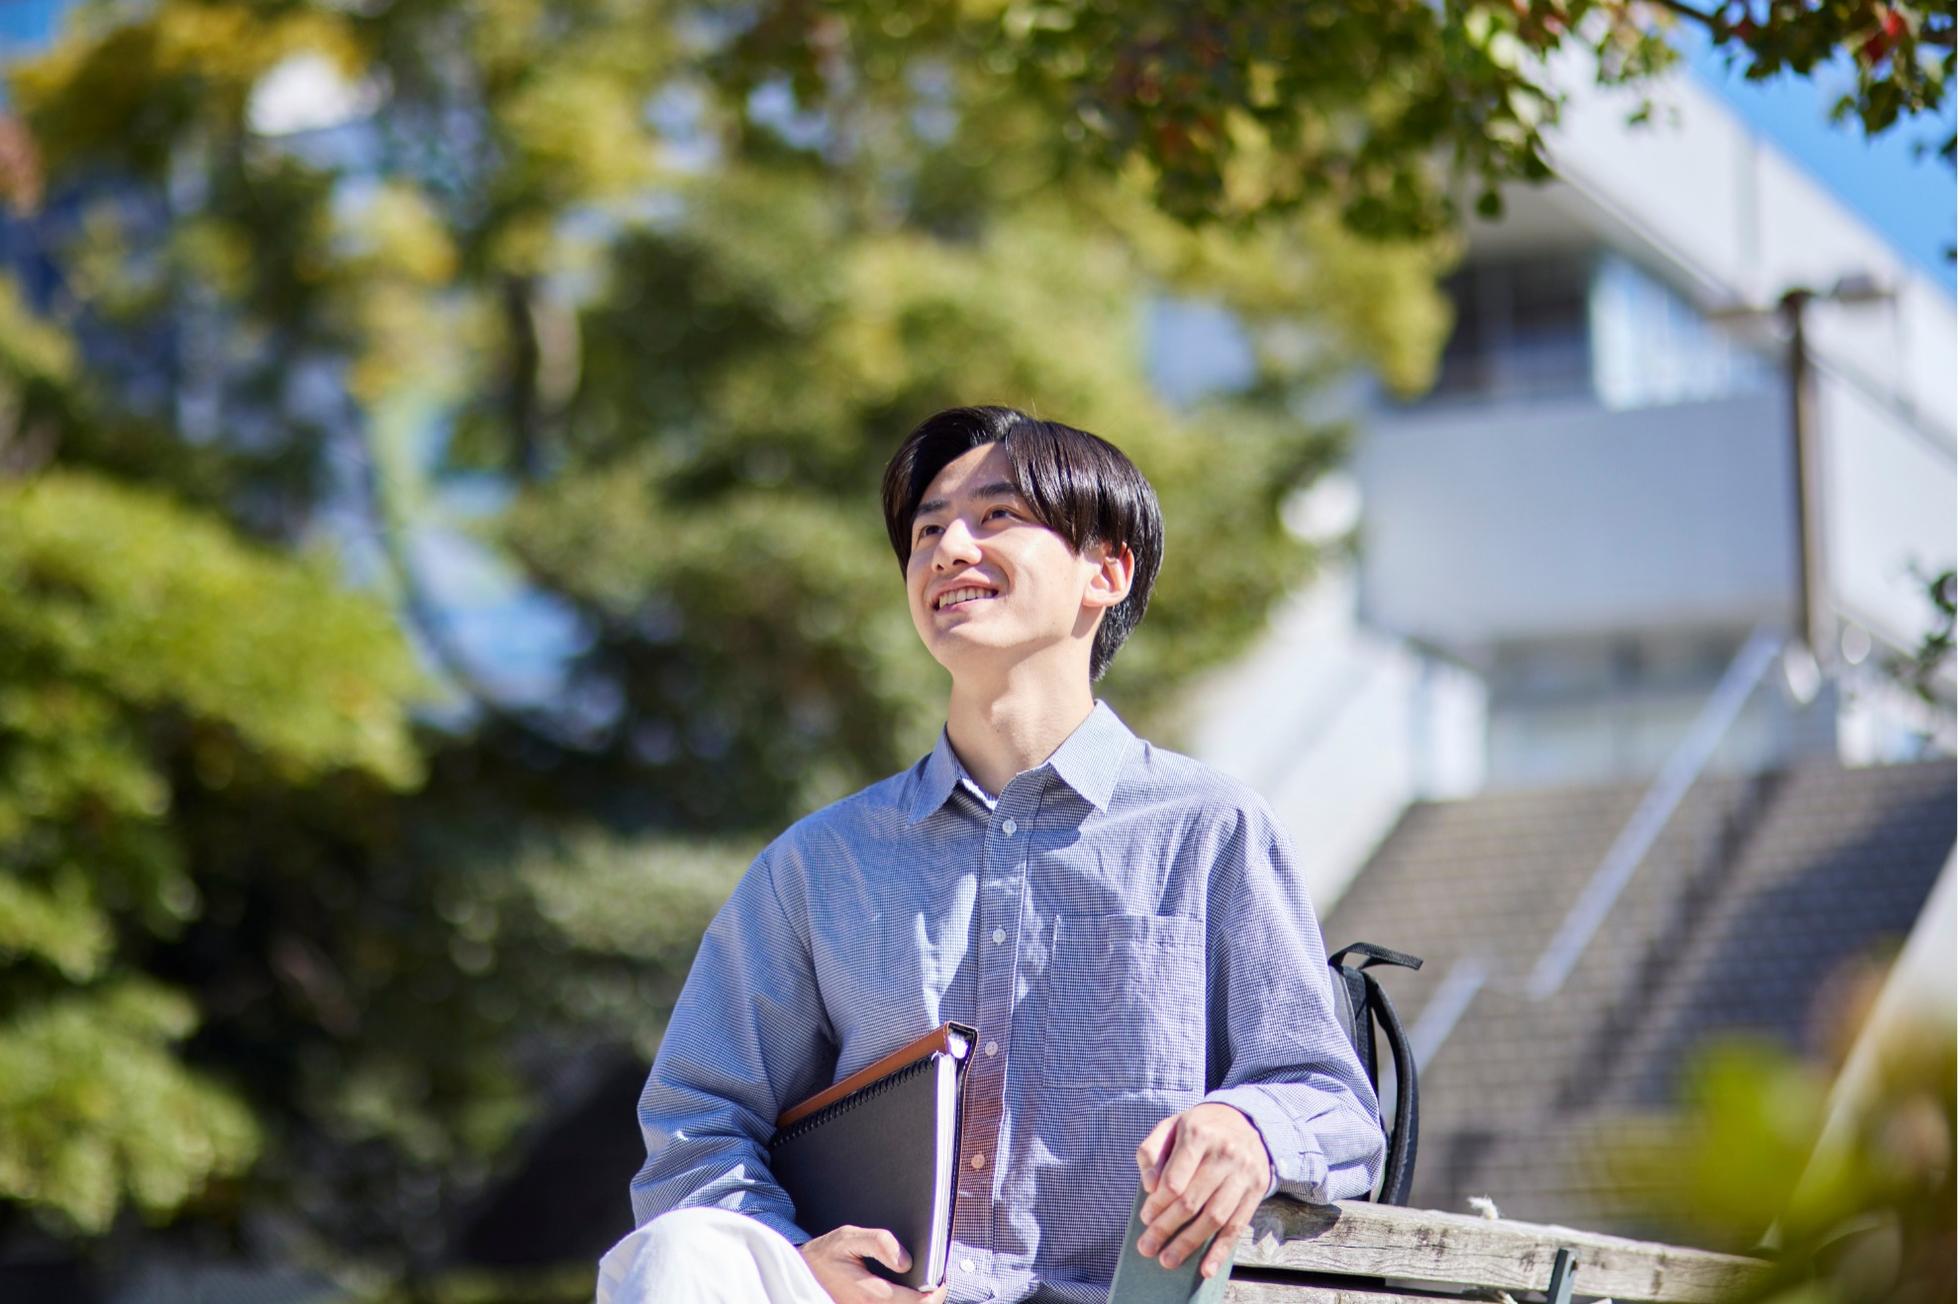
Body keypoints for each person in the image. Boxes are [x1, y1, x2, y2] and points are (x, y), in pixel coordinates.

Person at [597, 406, 1384, 1304]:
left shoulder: (1211, 830)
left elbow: (1332, 1101)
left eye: (997, 516)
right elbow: (698, 1121)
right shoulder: (816, 867)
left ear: (1106, 571)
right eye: (927, 531)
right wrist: (793, 1256)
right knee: (683, 1254)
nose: (948, 549)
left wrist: (1252, 1126)